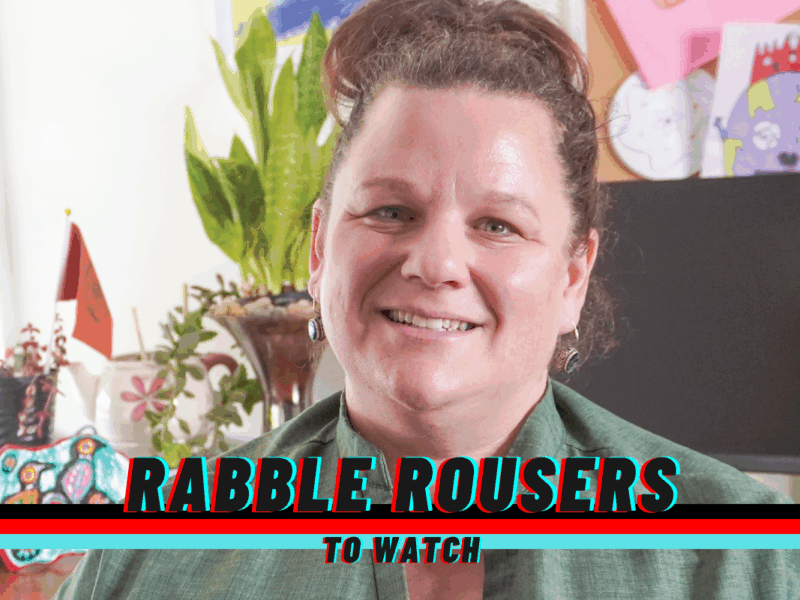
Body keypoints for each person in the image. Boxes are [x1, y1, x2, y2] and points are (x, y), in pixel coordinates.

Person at [55, 0, 797, 598]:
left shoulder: (747, 556)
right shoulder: (150, 553)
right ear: (319, 250)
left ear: (573, 277)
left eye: (498, 224)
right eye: (390, 211)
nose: (436, 262)